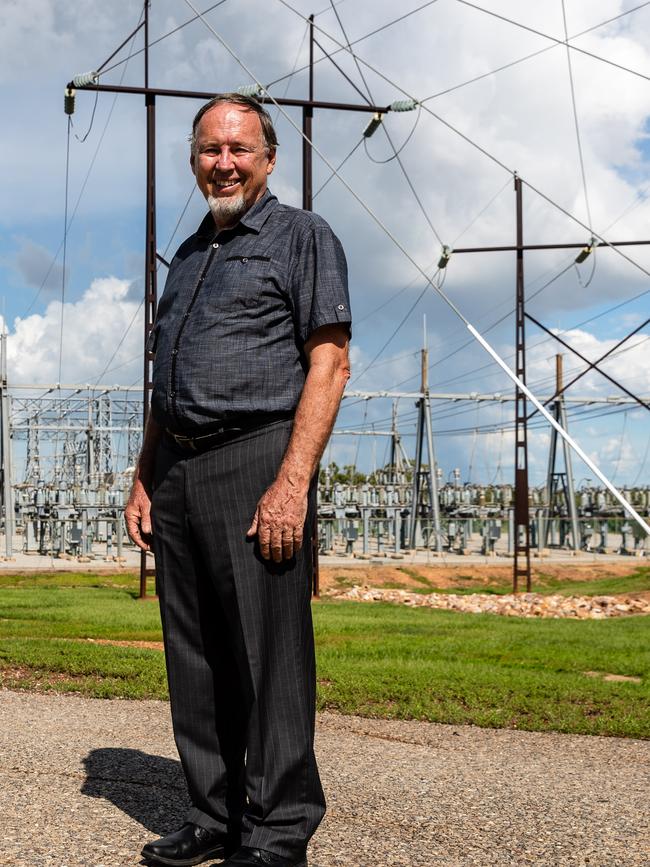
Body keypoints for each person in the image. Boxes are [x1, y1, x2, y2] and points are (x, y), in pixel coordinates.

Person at [125, 93, 351, 867]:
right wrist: (145, 476)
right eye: (209, 149)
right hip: (180, 469)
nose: (223, 162)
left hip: (257, 456)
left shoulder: (301, 237)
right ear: (194, 158)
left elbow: (329, 359)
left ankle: (278, 830)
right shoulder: (188, 257)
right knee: (194, 653)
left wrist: (292, 482)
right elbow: (166, 378)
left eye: (239, 148)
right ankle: (214, 813)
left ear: (268, 158)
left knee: (267, 652)